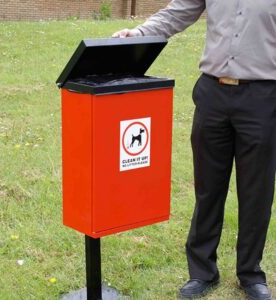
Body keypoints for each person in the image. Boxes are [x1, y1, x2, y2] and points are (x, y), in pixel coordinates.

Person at [113, 1, 276, 299]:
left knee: (257, 191)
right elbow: (178, 12)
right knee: (208, 187)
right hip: (212, 94)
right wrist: (139, 33)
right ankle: (202, 272)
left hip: (263, 96)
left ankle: (250, 273)